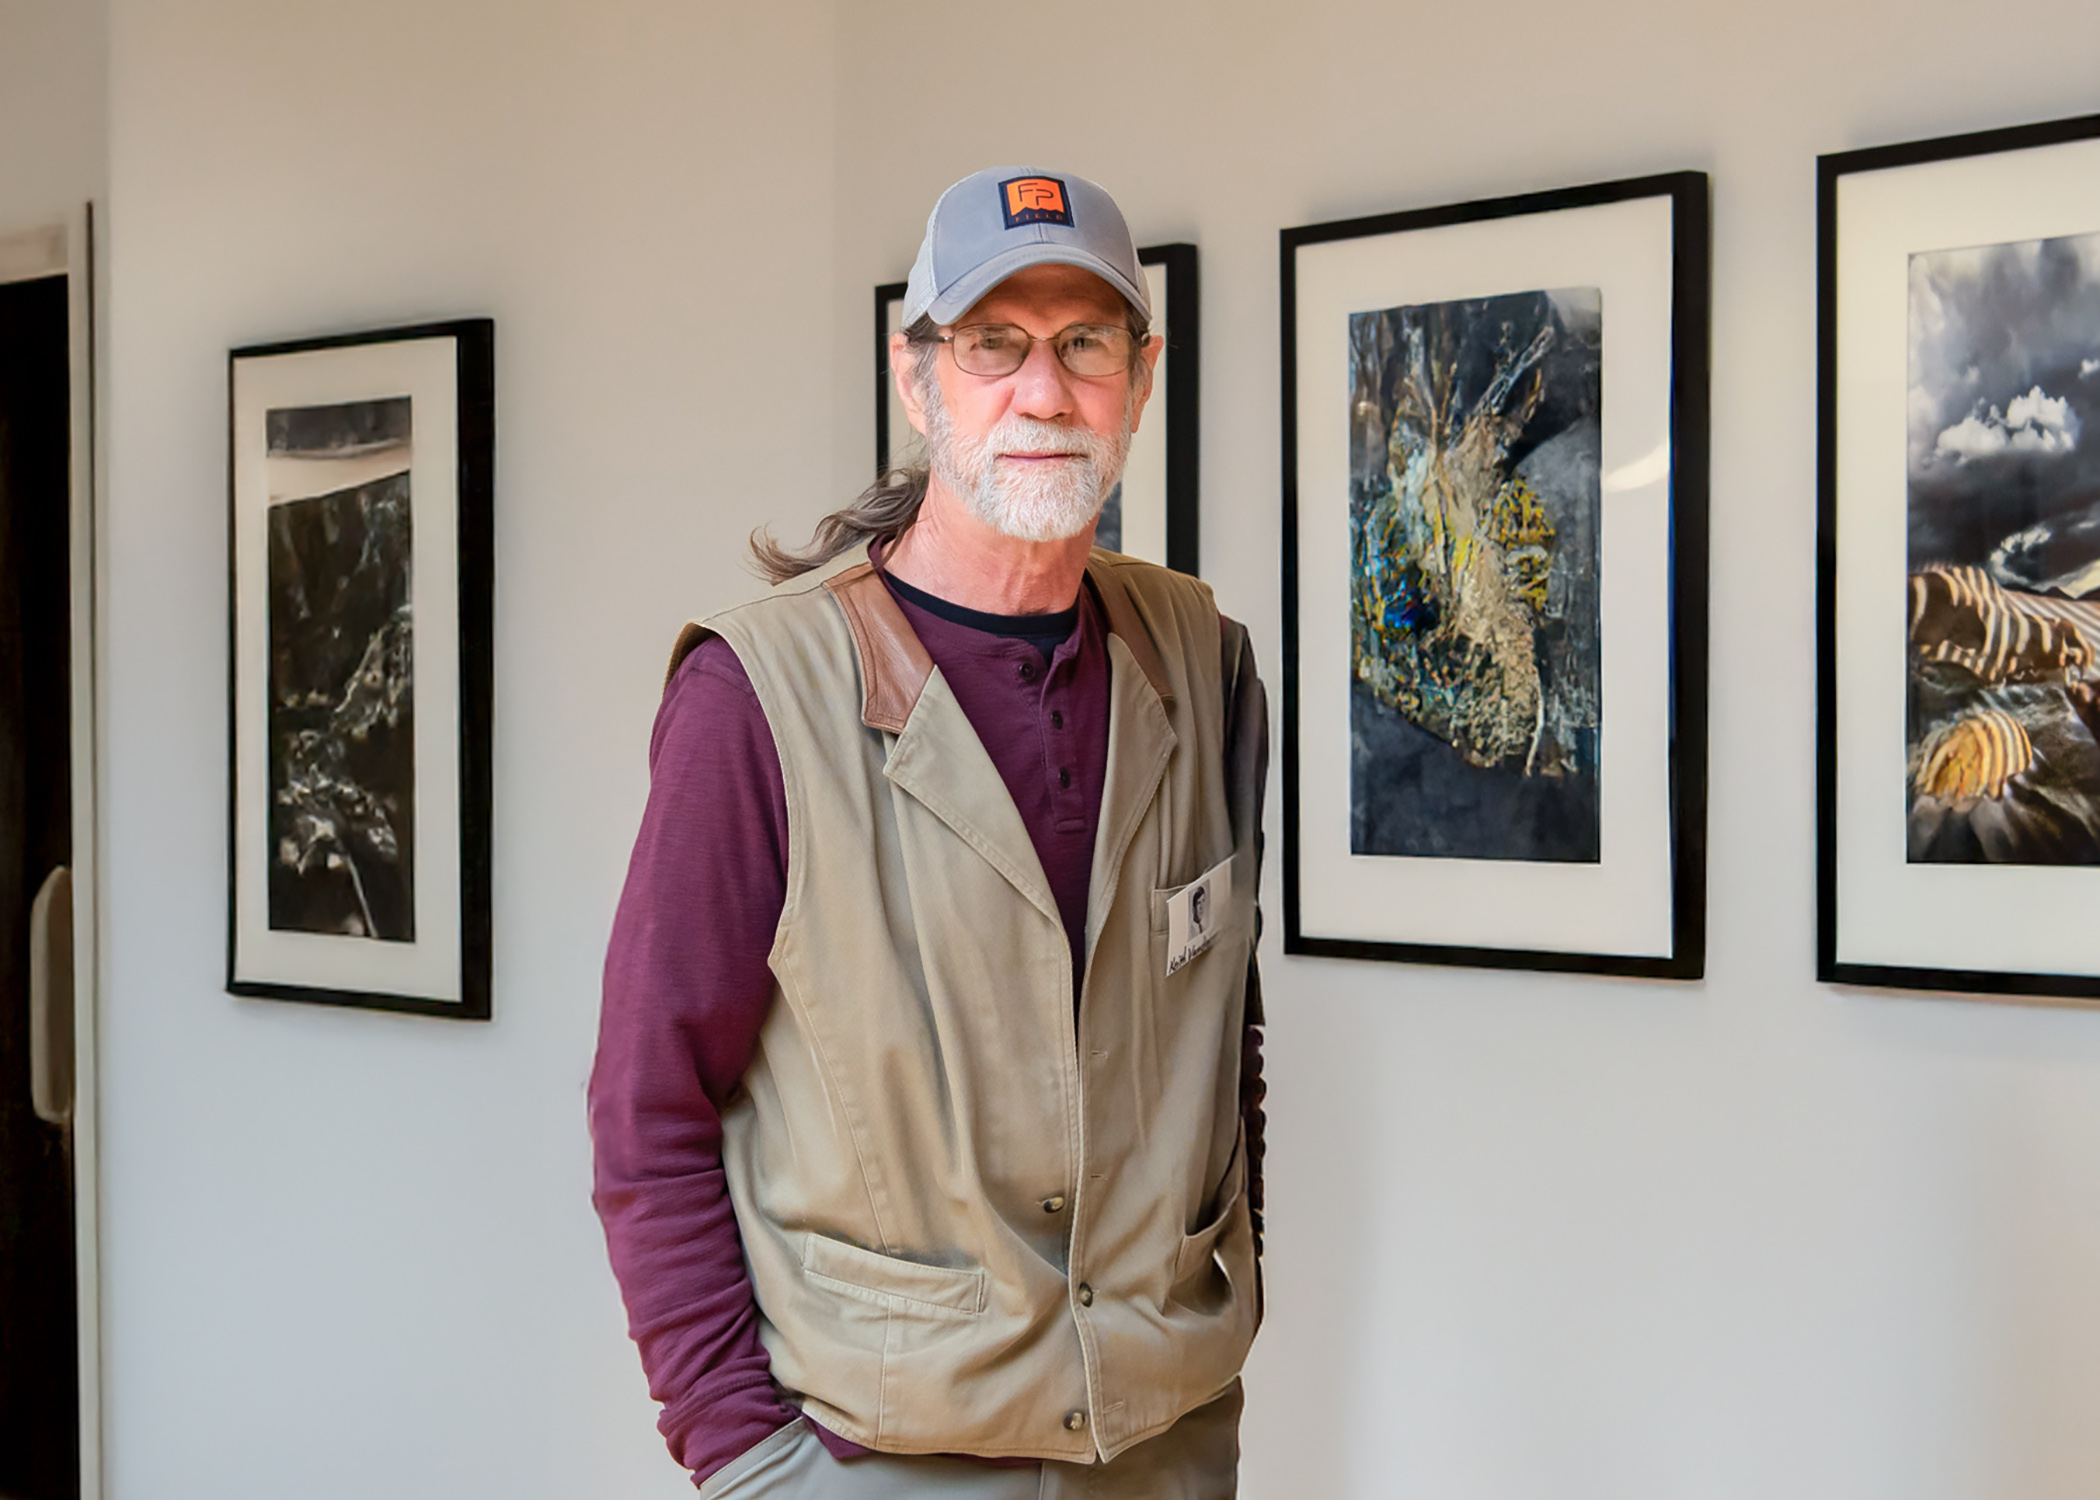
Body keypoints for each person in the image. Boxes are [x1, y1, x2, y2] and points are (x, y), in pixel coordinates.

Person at [591, 165, 1268, 1499]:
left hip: (1164, 1447)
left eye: (1085, 343)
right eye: (993, 345)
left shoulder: (1205, 661)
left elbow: (1225, 1033)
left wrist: (1225, 1317)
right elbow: (645, 1112)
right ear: (917, 382)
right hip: (873, 1461)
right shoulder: (755, 701)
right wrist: (748, 1462)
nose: (1043, 390)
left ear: (1142, 377)